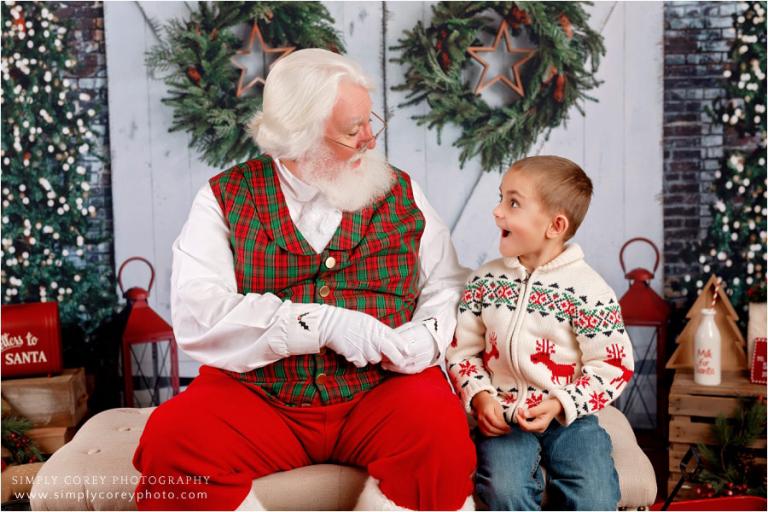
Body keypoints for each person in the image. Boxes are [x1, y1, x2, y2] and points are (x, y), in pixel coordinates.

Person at [131, 48, 476, 511]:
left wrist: (428, 336)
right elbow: (198, 313)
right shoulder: (223, 198)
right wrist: (321, 325)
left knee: (440, 432)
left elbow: (448, 282)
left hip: (381, 390)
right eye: (353, 130)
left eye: (369, 122)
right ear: (299, 138)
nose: (371, 141)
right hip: (259, 395)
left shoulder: (401, 189)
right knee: (171, 440)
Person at [446, 156, 634, 510]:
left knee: (595, 493)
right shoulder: (484, 282)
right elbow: (462, 352)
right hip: (505, 416)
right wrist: (480, 396)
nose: (497, 212)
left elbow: (614, 366)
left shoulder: (589, 292)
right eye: (500, 198)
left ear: (554, 225)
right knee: (502, 488)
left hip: (570, 418)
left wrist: (562, 403)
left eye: (513, 203)